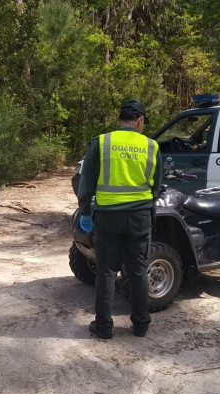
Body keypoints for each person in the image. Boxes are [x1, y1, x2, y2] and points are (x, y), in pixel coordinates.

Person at [77, 100, 163, 339]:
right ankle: (141, 325)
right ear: (139, 121)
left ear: (121, 120)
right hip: (139, 218)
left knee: (106, 272)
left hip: (107, 218)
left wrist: (85, 211)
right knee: (137, 271)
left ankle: (104, 327)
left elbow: (86, 185)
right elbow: (156, 186)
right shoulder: (152, 146)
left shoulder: (102, 143)